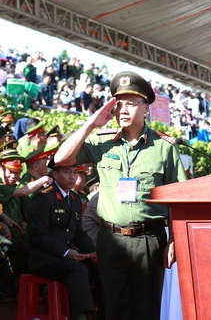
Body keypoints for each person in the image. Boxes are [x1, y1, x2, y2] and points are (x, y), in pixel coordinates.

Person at [54, 70, 187, 320]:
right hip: (111, 239)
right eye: (118, 104)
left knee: (146, 310)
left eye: (130, 103)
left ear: (145, 107)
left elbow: (180, 200)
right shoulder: (101, 141)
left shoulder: (164, 147)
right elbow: (60, 159)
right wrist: (91, 123)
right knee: (113, 309)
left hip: (149, 239)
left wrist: (175, 241)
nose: (122, 110)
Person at [27, 159, 97, 320]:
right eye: (67, 172)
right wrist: (65, 252)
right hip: (45, 258)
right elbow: (38, 235)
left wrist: (93, 252)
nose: (72, 177)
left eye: (75, 172)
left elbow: (79, 234)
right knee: (77, 270)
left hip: (67, 256)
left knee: (101, 268)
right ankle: (80, 316)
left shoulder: (74, 199)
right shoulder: (43, 198)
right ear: (55, 174)